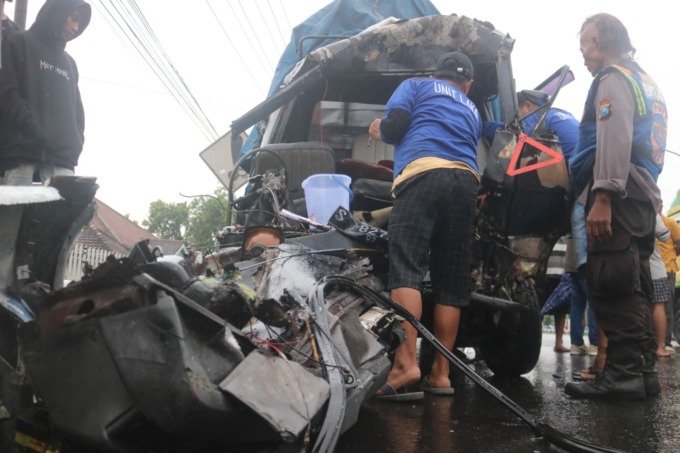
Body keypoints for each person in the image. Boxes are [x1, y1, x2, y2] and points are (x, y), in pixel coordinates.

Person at [565, 13, 667, 400]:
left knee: (611, 278)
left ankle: (624, 375)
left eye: (586, 48)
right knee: (634, 282)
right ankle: (641, 373)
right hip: (642, 193)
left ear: (602, 41)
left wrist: (603, 194)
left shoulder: (613, 78)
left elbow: (613, 134)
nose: (585, 58)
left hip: (618, 193)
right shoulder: (646, 81)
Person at [369, 51, 481, 400]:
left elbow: (396, 125)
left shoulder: (416, 85)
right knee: (450, 279)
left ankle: (406, 365)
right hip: (466, 183)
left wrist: (378, 128)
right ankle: (441, 373)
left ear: (437, 73)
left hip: (422, 174)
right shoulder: (472, 108)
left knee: (407, 267)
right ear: (468, 84)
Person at [0, 0, 90, 186]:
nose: (75, 27)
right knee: (13, 214)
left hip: (62, 162)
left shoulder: (70, 64)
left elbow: (78, 113)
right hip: (21, 156)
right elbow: (7, 92)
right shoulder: (19, 42)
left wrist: (76, 140)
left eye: (79, 23)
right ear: (57, 11)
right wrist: (29, 124)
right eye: (73, 18)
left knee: (60, 215)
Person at [651, 214, 674, 357]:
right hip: (654, 268)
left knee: (637, 307)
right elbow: (665, 236)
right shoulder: (649, 207)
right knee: (658, 305)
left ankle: (639, 347)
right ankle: (660, 347)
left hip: (631, 268)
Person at [657, 212, 680, 348]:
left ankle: (665, 341)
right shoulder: (649, 222)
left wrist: (670, 255)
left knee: (667, 306)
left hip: (668, 269)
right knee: (655, 305)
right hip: (652, 269)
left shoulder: (670, 223)